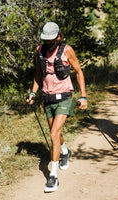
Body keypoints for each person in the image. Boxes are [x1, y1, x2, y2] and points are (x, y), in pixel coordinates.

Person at [26, 22, 88, 192]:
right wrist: (32, 93)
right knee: (55, 134)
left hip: (64, 97)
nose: (48, 42)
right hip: (47, 97)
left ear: (59, 36)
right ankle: (65, 151)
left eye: (51, 39)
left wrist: (83, 96)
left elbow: (79, 72)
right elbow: (39, 74)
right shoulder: (39, 50)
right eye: (46, 39)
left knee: (54, 134)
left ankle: (53, 176)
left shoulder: (67, 50)